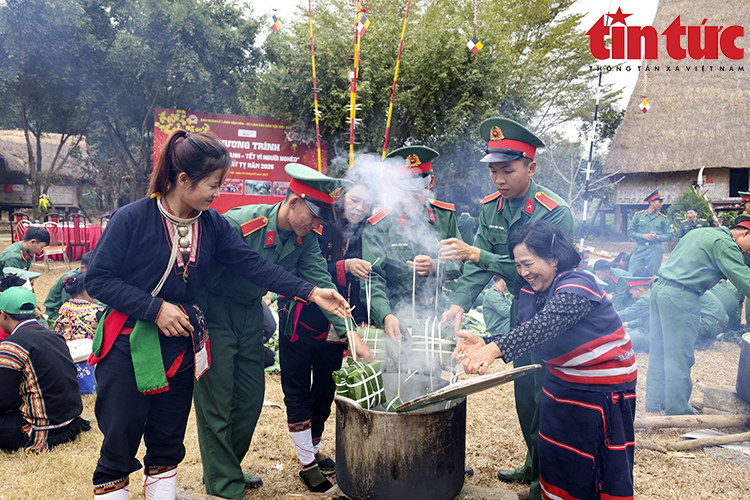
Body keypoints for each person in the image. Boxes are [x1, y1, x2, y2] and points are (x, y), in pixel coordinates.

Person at [84, 130, 352, 500]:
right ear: (183, 180)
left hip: (179, 346)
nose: (217, 193)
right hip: (128, 345)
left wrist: (310, 291)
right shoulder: (133, 218)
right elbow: (98, 280)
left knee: (166, 444)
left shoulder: (210, 224)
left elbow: (252, 265)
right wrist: (155, 308)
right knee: (121, 440)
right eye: (214, 184)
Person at [194, 163, 372, 499]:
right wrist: (196, 325)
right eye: (316, 217)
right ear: (294, 202)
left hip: (249, 314)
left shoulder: (304, 239)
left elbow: (321, 285)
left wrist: (350, 335)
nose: (319, 226)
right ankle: (221, 482)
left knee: (249, 398)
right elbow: (198, 273)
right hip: (214, 312)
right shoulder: (240, 223)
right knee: (217, 400)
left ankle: (227, 466)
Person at [455, 221, 637, 500]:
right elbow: (525, 330)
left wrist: (494, 350)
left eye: (528, 263)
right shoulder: (532, 291)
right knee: (556, 453)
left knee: (595, 463)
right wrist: (487, 341)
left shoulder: (578, 285)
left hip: (602, 389)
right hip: (562, 381)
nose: (523, 272)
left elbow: (547, 326)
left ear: (554, 258)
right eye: (518, 266)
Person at [440, 117, 573, 495]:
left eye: (508, 170)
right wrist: (459, 303)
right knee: (524, 393)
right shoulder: (491, 208)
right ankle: (534, 463)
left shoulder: (554, 210)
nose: (499, 179)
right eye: (494, 171)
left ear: (531, 168)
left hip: (551, 311)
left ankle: (543, 482)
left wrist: (479, 255)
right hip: (521, 309)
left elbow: (539, 271)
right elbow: (476, 263)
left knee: (544, 395)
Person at [277, 167, 373, 492]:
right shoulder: (310, 224)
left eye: (366, 203)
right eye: (355, 200)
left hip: (337, 325)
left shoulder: (362, 232)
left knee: (325, 390)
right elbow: (293, 271)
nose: (359, 208)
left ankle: (314, 449)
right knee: (298, 390)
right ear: (340, 198)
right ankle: (306, 462)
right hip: (301, 320)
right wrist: (342, 268)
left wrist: (355, 325)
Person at [647, 214, 750, 415]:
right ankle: (678, 412)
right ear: (746, 233)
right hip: (681, 297)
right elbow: (744, 280)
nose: (747, 252)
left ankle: (655, 402)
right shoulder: (727, 245)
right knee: (680, 356)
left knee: (659, 350)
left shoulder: (700, 232)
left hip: (659, 290)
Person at [361, 145, 463, 341]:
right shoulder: (380, 223)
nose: (413, 194)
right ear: (394, 185)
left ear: (430, 181)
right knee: (394, 369)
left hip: (435, 316)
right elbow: (372, 279)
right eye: (406, 188)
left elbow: (462, 262)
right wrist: (385, 315)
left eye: (419, 187)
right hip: (393, 318)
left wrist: (437, 266)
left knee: (431, 369)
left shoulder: (445, 217)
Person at [0, 287, 91, 452]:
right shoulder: (54, 336)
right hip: (70, 423)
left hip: (39, 430)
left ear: (4, 315)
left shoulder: (10, 346)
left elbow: (3, 400)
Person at [627, 189, 672, 274]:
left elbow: (670, 235)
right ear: (652, 202)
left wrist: (658, 237)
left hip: (655, 249)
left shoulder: (663, 218)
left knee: (654, 275)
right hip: (640, 248)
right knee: (633, 273)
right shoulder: (638, 216)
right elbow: (630, 232)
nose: (662, 204)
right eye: (660, 202)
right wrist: (643, 236)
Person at [44, 251, 93, 322]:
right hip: (57, 314)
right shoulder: (72, 279)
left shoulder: (85, 277)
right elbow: (70, 306)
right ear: (82, 268)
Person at [53, 273, 104, 341]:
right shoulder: (97, 311)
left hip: (64, 349)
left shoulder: (64, 309)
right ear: (88, 288)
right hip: (89, 350)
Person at [618, 269, 653, 352]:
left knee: (620, 341)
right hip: (647, 329)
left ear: (639, 290)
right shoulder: (650, 295)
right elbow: (644, 320)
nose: (633, 297)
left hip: (651, 335)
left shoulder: (645, 300)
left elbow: (626, 315)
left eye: (632, 293)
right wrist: (627, 324)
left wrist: (606, 316)